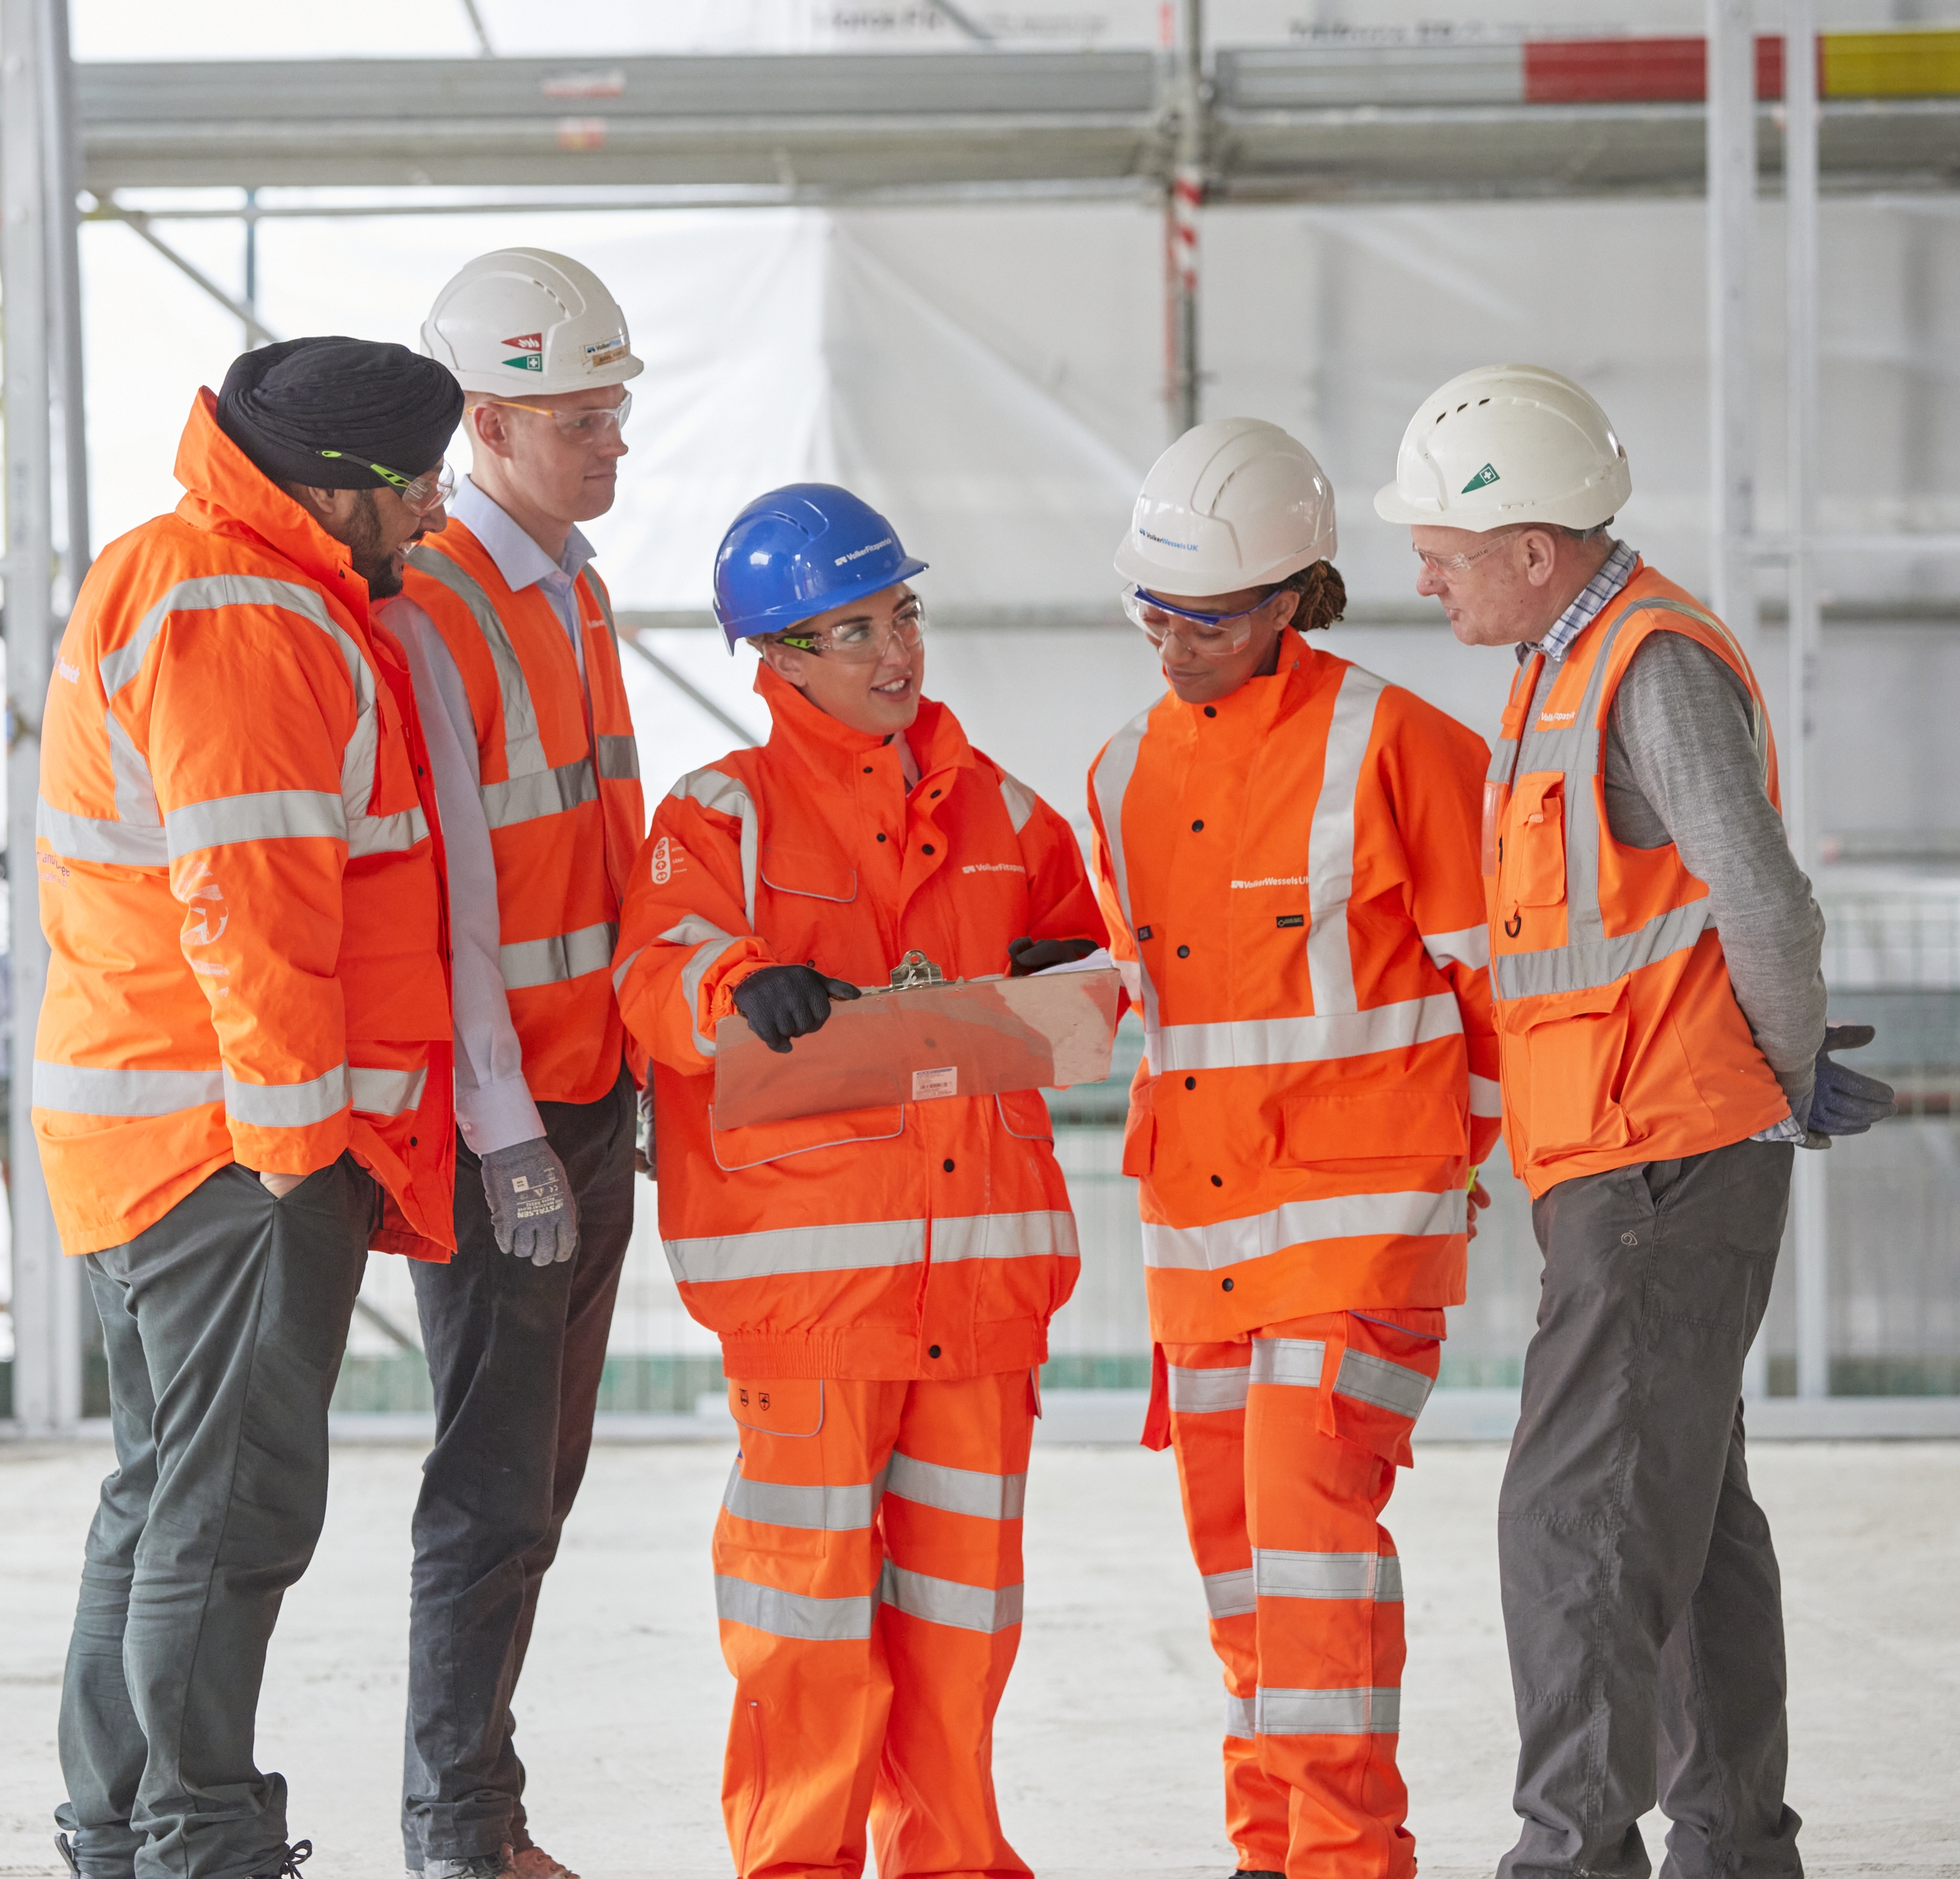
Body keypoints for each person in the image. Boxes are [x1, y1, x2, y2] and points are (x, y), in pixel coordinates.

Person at [1373, 362, 1893, 1879]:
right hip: (1629, 1156)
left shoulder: (1645, 667)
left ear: (1536, 550)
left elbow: (1765, 902)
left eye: (1445, 553)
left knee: (1576, 1517)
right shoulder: (1564, 663)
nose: (1425, 578)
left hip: (1664, 1159)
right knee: (1685, 1516)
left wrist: (1779, 1076)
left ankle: (1572, 1856)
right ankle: (1734, 1846)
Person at [611, 484, 1106, 1879]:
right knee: (807, 1622)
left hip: (982, 1296)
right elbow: (651, 975)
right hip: (816, 1307)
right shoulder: (722, 815)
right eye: (852, 631)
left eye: (902, 616)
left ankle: (956, 1860)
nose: (895, 652)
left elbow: (1087, 960)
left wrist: (1070, 978)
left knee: (963, 1624)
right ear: (776, 658)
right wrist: (733, 980)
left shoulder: (1007, 812)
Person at [34, 337, 467, 1879]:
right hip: (230, 1149)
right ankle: (198, 1839)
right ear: (337, 490)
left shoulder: (189, 571)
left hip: (155, 1126)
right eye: (420, 483)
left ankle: (123, 1830)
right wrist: (293, 1160)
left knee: (164, 1495)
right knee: (230, 1515)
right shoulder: (247, 616)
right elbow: (251, 909)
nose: (437, 510)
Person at [1082, 419, 1500, 1879]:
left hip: (1358, 1225)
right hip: (1198, 1241)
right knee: (1238, 1561)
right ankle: (1268, 1852)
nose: (1174, 643)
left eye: (1205, 618)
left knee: (1310, 1540)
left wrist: (1462, 1168)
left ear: (1292, 599)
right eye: (1154, 611)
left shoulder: (1404, 748)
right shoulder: (1118, 773)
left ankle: (1346, 1859)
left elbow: (1495, 996)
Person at [384, 248, 648, 1879]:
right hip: (513, 1120)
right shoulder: (440, 603)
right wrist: (504, 1132)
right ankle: (460, 1831)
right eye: (579, 420)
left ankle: (479, 1812)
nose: (612, 442)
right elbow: (456, 905)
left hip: (593, 1087)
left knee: (538, 1475)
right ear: (484, 421)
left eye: (615, 411)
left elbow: (599, 851)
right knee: (490, 1484)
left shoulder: (575, 586)